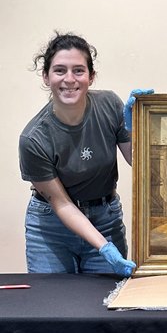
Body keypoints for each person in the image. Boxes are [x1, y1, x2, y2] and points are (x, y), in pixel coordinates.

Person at [19, 32, 136, 276]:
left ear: (91, 77)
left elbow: (138, 162)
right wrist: (104, 246)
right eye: (60, 70)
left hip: (105, 218)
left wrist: (138, 127)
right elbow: (61, 203)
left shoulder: (109, 105)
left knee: (104, 307)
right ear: (46, 76)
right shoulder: (33, 139)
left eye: (79, 71)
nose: (69, 79)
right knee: (53, 307)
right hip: (51, 227)